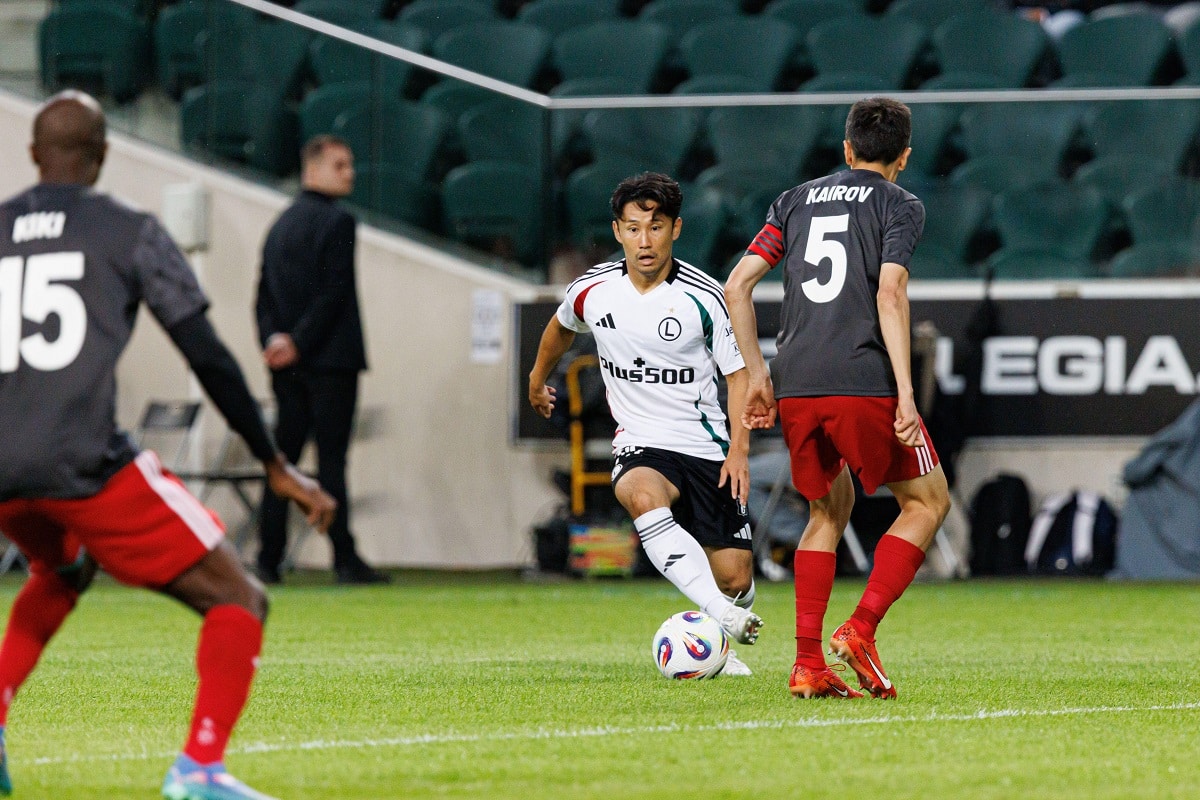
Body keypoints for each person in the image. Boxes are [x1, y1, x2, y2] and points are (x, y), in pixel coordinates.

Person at [0, 90, 337, 799]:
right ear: (102, 156)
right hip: (81, 463)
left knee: (62, 570)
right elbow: (208, 356)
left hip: (4, 469)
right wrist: (273, 461)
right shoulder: (129, 231)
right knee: (241, 597)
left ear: (33, 155)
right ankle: (199, 769)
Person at [725, 97, 951, 699]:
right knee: (927, 503)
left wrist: (756, 375)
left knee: (827, 509)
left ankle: (806, 664)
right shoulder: (899, 203)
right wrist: (906, 392)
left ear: (846, 150)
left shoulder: (795, 200)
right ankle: (860, 628)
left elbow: (738, 284)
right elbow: (891, 292)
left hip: (797, 379)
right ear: (903, 156)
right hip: (863, 378)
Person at [529, 173, 763, 676]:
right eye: (633, 228)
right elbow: (560, 327)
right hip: (641, 442)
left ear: (675, 229)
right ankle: (719, 618)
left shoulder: (706, 297)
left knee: (735, 577)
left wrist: (739, 450)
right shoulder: (592, 289)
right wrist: (535, 378)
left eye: (655, 228)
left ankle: (723, 619)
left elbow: (739, 377)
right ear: (617, 232)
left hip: (705, 446)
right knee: (638, 492)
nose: (644, 240)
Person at [254, 135, 387, 585]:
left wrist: (275, 340)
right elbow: (334, 294)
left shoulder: (279, 225)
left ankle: (267, 558)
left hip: (286, 367)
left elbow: (263, 296)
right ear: (312, 169)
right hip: (330, 362)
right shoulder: (339, 222)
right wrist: (302, 341)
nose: (349, 172)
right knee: (331, 462)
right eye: (340, 165)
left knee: (282, 463)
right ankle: (344, 559)